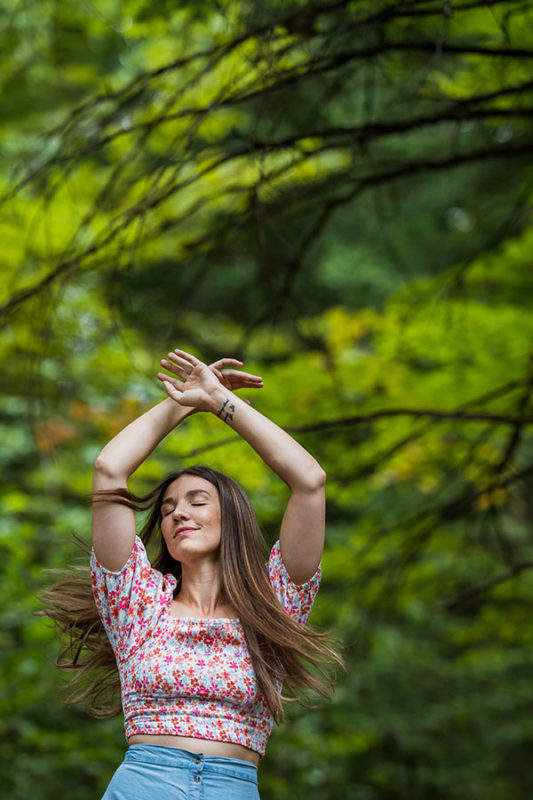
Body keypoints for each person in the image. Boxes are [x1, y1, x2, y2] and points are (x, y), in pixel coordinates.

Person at [43, 348, 341, 799]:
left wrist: (219, 400)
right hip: (144, 784)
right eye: (168, 509)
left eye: (197, 501)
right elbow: (110, 469)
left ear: (232, 517)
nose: (179, 512)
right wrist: (185, 399)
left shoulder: (274, 605)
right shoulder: (138, 604)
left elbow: (309, 480)